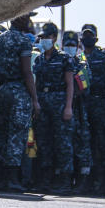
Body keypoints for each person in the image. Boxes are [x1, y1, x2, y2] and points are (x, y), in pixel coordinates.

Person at [0, 14, 39, 192]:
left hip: (1, 90)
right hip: (18, 91)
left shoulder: (1, 39)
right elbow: (27, 72)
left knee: (0, 134)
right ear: (20, 19)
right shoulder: (23, 41)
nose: (29, 20)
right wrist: (34, 99)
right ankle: (12, 179)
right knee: (16, 135)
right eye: (27, 17)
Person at [32, 22, 75, 194]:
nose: (44, 40)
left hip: (59, 101)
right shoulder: (40, 58)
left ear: (54, 38)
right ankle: (45, 180)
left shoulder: (65, 58)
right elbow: (36, 82)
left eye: (47, 37)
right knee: (44, 141)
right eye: (42, 37)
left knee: (62, 142)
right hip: (43, 101)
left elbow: (70, 84)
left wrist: (68, 107)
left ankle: (64, 180)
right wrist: (35, 102)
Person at [80, 24, 105, 195]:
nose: (87, 38)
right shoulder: (77, 58)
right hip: (84, 104)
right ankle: (87, 181)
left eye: (91, 35)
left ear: (96, 38)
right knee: (86, 143)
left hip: (102, 105)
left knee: (104, 144)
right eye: (85, 35)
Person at [63, 30, 92, 193]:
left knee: (82, 145)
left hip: (80, 110)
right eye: (67, 45)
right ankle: (65, 179)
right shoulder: (59, 61)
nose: (70, 48)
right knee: (65, 145)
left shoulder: (82, 64)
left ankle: (82, 181)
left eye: (73, 45)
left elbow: (85, 88)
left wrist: (72, 93)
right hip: (63, 109)